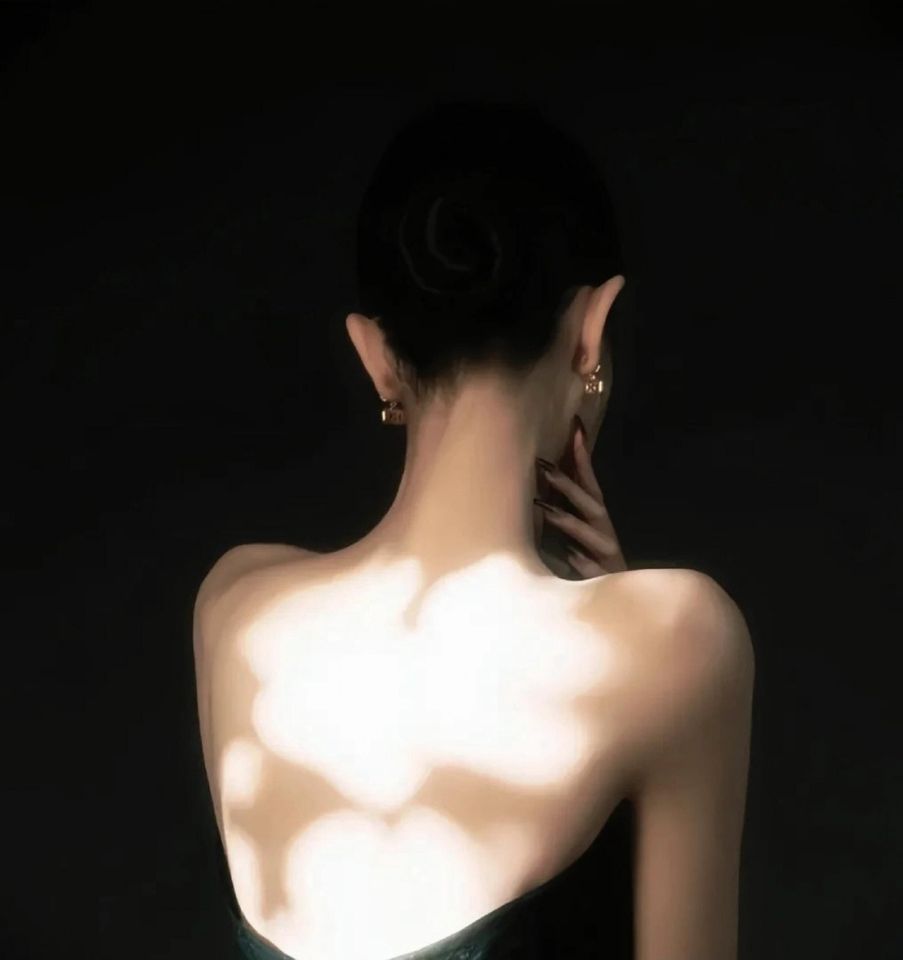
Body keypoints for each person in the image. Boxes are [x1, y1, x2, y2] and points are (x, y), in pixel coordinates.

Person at [193, 99, 755, 960]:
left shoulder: (232, 603)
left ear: (373, 354)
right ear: (594, 329)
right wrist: (631, 624)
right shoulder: (682, 640)